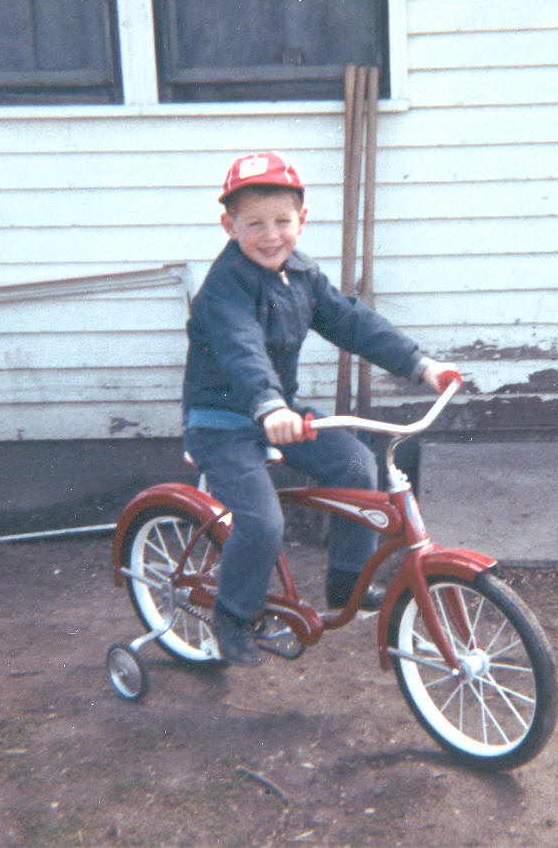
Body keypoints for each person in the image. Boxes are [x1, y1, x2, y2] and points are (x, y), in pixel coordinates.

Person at [182, 151, 458, 667]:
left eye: (282, 222)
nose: (271, 236)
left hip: (278, 413)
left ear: (302, 221)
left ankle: (347, 580)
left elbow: (352, 322)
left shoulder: (301, 274)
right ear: (229, 226)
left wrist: (421, 365)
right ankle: (233, 615)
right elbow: (243, 350)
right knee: (263, 522)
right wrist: (269, 406)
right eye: (254, 224)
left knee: (355, 464)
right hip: (223, 424)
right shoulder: (224, 288)